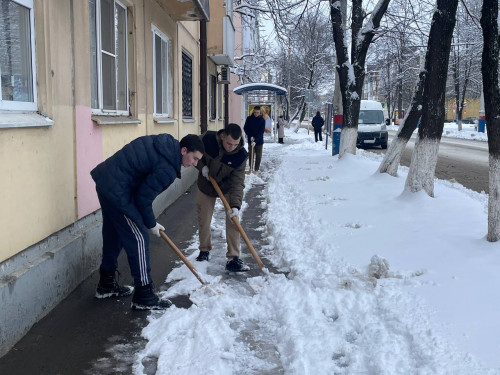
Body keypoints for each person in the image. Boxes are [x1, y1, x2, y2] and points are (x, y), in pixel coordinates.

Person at [91, 134, 205, 310]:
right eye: (194, 158)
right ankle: (144, 295)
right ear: (184, 150)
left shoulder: (165, 145)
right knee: (138, 238)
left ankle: (106, 285)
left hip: (106, 182)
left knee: (114, 234)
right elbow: (142, 199)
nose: (195, 164)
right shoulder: (167, 168)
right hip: (118, 190)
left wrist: (149, 221)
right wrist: (151, 224)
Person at [195, 123, 250, 272]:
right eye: (229, 143)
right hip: (206, 184)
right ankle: (204, 251)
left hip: (226, 187)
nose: (232, 147)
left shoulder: (241, 156)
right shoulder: (207, 139)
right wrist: (202, 167)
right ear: (222, 136)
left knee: (233, 219)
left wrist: (235, 206)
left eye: (235, 144)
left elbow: (238, 183)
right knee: (204, 219)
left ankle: (233, 258)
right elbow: (193, 149)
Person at [243, 106, 266, 171]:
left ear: (260, 112)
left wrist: (255, 140)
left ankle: (256, 169)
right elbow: (245, 128)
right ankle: (251, 168)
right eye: (255, 112)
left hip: (259, 141)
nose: (256, 114)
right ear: (253, 112)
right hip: (251, 140)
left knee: (258, 156)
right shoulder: (249, 118)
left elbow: (261, 132)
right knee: (251, 155)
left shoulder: (262, 120)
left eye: (257, 113)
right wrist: (250, 136)